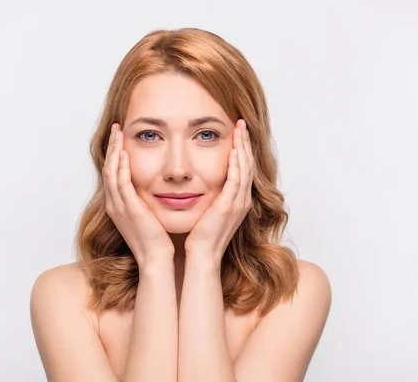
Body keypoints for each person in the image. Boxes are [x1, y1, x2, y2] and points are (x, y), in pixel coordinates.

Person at [30, 27, 332, 382]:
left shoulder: (293, 290)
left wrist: (203, 259)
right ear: (112, 150)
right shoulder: (62, 296)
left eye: (206, 135)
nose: (177, 169)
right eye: (149, 135)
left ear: (247, 149)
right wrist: (155, 265)